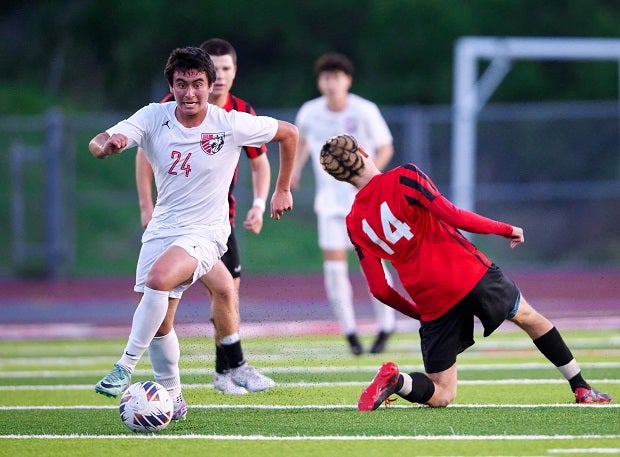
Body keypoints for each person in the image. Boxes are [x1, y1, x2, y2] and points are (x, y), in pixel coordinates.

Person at [318, 134, 612, 409]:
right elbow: (452, 215)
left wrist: (418, 313)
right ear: (364, 151)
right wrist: (505, 229)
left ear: (338, 178)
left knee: (442, 392)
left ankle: (397, 380)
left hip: (430, 299)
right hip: (467, 273)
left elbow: (379, 289)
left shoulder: (354, 222)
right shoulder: (405, 176)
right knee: (529, 317)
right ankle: (581, 387)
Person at [89, 47, 298, 420]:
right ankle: (174, 396)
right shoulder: (154, 116)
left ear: (210, 84)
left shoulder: (230, 122)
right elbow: (101, 139)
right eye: (182, 84)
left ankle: (124, 365)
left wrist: (281, 189)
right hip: (163, 228)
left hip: (208, 231)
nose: (190, 93)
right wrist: (105, 146)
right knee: (159, 323)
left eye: (197, 84)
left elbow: (290, 133)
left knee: (159, 278)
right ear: (171, 85)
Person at [135, 38, 273, 395]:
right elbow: (143, 155)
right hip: (176, 225)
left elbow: (261, 162)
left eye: (227, 69)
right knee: (171, 304)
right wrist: (146, 206)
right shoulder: (170, 108)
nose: (221, 76)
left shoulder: (240, 113)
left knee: (227, 293)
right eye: (216, 69)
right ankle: (163, 376)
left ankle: (227, 371)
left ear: (229, 74)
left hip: (217, 224)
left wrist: (259, 204)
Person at [292, 52, 397, 355]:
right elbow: (301, 142)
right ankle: (350, 332)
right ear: (319, 82)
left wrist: (370, 180)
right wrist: (294, 172)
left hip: (363, 204)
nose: (331, 82)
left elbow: (385, 146)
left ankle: (386, 324)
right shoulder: (310, 112)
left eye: (337, 77)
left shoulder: (364, 110)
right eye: (326, 77)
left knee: (374, 266)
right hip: (329, 204)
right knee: (335, 271)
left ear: (347, 80)